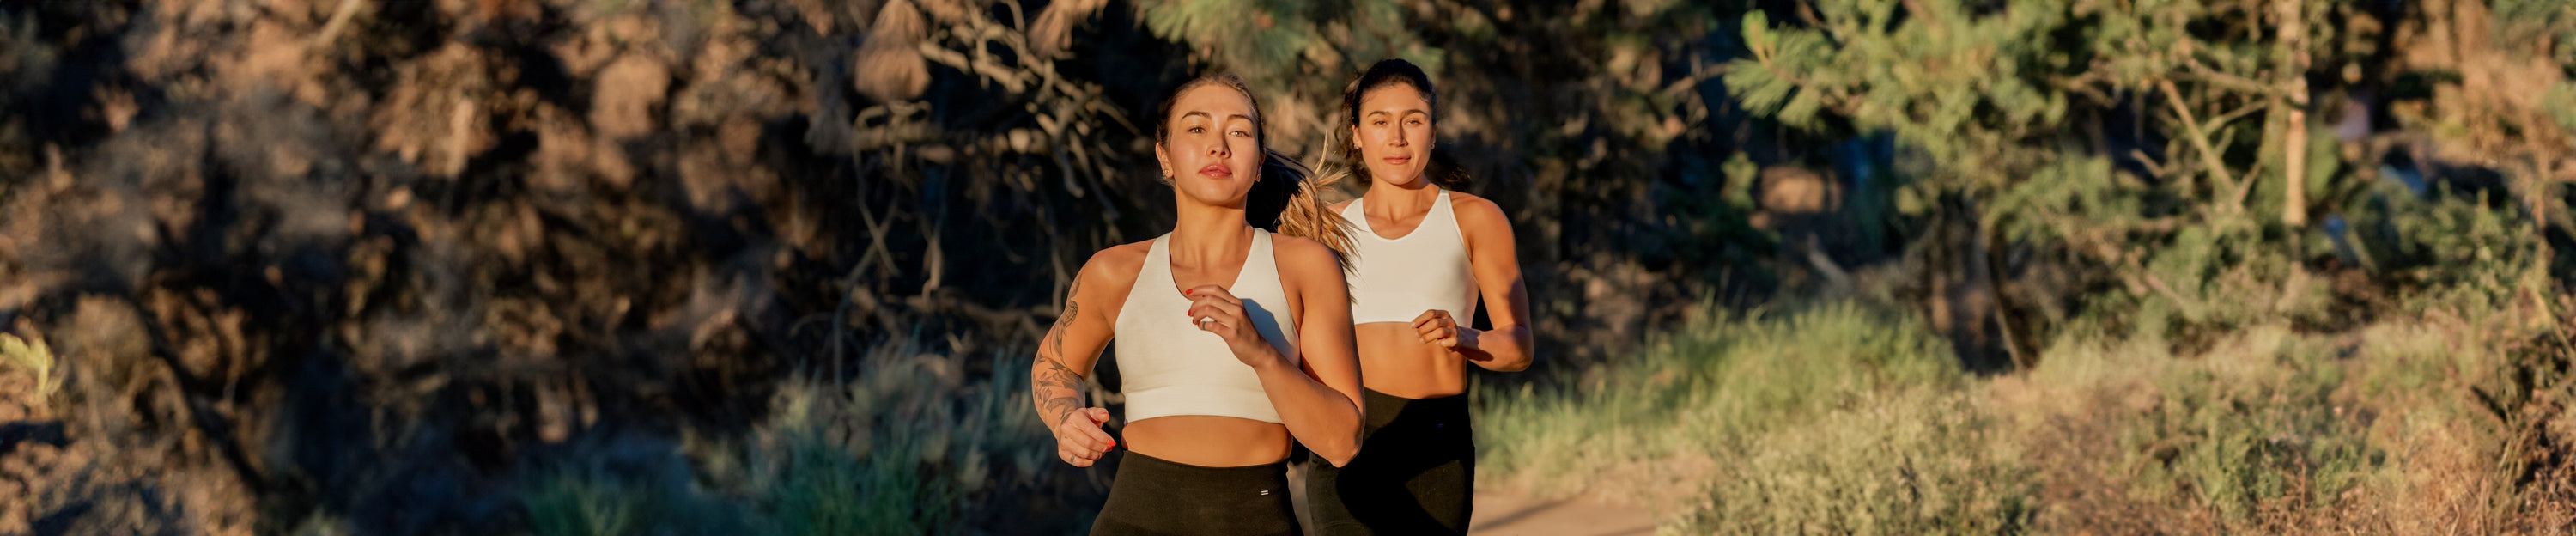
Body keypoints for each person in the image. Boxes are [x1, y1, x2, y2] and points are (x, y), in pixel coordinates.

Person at [1029, 72, 1367, 535]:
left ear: (1260, 162)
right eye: (1196, 128)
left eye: (1239, 131)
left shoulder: (1306, 266)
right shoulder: (1114, 271)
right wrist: (1065, 417)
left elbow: (1342, 441)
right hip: (1135, 519)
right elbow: (1055, 363)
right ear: (1163, 156)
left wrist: (1262, 354)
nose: (1218, 146)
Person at [1305, 58, 1536, 536]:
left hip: (1437, 442)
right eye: (1380, 121)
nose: (1397, 137)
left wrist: (1465, 335)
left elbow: (1519, 348)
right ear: (1356, 135)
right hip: (1348, 439)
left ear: (1432, 133)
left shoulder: (1475, 218)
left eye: (1413, 121)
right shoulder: (1324, 227)